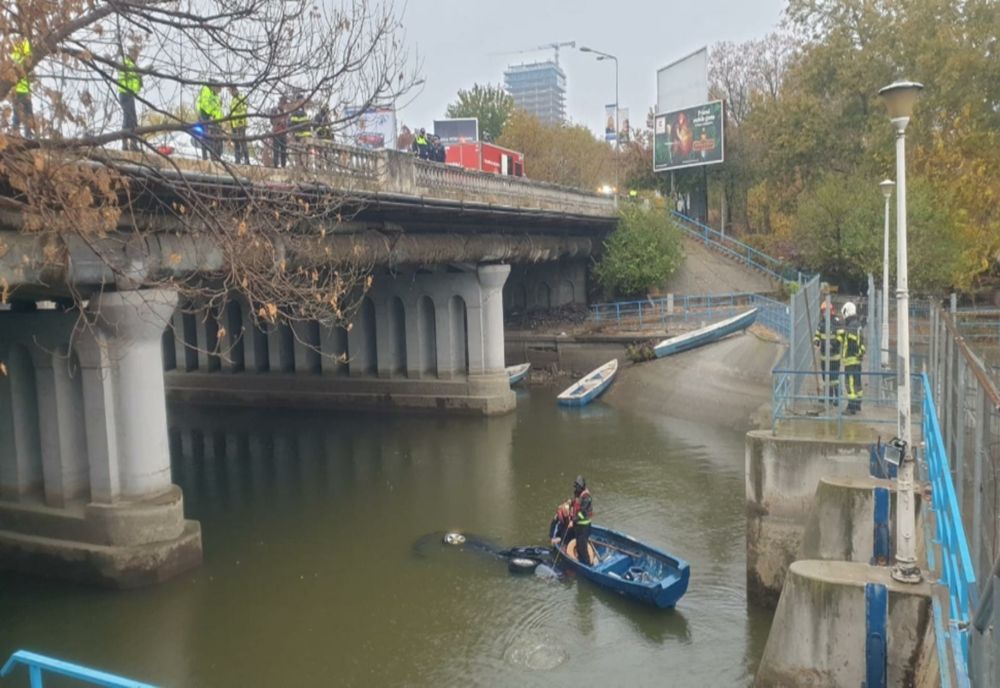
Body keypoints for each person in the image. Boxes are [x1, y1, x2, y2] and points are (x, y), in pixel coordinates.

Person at [839, 301, 865, 414]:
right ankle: (858, 404)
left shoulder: (851, 325)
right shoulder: (857, 324)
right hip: (857, 360)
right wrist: (860, 353)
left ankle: (851, 407)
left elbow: (852, 342)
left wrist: (854, 353)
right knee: (857, 383)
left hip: (851, 360)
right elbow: (861, 342)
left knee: (850, 384)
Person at [814, 301, 842, 405]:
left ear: (831, 311)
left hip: (834, 357)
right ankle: (829, 398)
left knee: (835, 379)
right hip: (824, 357)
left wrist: (834, 345)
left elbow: (840, 336)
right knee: (826, 379)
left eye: (826, 311)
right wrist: (816, 340)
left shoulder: (836, 322)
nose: (824, 313)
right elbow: (817, 335)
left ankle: (837, 399)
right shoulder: (821, 324)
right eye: (823, 311)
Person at [117, 46, 142, 151]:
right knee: (128, 118)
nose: (136, 56)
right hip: (125, 92)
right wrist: (139, 73)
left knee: (132, 119)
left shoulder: (131, 64)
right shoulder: (126, 63)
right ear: (131, 53)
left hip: (130, 93)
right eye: (135, 54)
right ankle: (126, 144)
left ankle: (133, 143)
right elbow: (130, 75)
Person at [10, 38, 34, 139]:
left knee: (19, 115)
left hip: (18, 90)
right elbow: (29, 58)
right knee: (25, 114)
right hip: (21, 90)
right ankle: (26, 136)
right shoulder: (24, 43)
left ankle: (17, 135)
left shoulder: (12, 47)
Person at [569, 476, 593, 566]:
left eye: (577, 486)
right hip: (578, 525)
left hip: (584, 526)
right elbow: (575, 504)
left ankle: (587, 565)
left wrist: (573, 520)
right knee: (578, 546)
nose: (576, 488)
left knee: (583, 548)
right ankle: (581, 562)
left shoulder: (586, 497)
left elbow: (582, 513)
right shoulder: (578, 494)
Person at [196, 83, 224, 160]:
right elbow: (205, 106)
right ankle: (207, 157)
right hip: (208, 119)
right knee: (207, 137)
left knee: (216, 141)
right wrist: (209, 115)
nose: (220, 91)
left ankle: (215, 157)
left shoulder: (216, 96)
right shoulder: (206, 91)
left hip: (217, 121)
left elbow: (218, 110)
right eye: (219, 89)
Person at [228, 86, 249, 164]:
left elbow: (244, 110)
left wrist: (240, 120)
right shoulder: (233, 99)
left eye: (230, 91)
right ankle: (237, 160)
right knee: (236, 142)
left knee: (243, 141)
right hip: (234, 124)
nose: (230, 93)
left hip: (240, 123)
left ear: (234, 90)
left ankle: (246, 160)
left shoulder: (241, 98)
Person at [289, 97, 312, 167]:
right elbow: (293, 124)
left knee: (302, 152)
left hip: (302, 136)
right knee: (304, 152)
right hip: (304, 136)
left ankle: (302, 166)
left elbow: (292, 125)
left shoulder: (297, 113)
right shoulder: (302, 113)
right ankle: (305, 166)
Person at [270, 96, 289, 168]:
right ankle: (275, 165)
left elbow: (288, 123)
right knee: (276, 150)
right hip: (276, 132)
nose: (284, 105)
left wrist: (285, 125)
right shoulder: (274, 110)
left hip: (284, 133)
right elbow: (272, 121)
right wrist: (279, 121)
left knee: (284, 150)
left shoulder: (286, 112)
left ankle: (283, 165)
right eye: (284, 103)